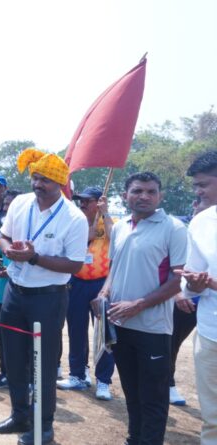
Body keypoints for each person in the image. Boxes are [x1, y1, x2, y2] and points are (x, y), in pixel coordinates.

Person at [0, 148, 88, 445]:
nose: (38, 184)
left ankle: (43, 426)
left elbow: (74, 264)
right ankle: (19, 415)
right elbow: (4, 236)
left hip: (48, 298)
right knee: (14, 359)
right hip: (15, 294)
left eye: (45, 180)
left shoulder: (74, 218)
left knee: (42, 363)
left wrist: (34, 258)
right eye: (35, 177)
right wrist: (7, 250)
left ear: (60, 184)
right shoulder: (20, 203)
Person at [91, 171, 188, 445]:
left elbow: (178, 278)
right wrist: (104, 292)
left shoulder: (174, 228)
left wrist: (139, 304)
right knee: (131, 391)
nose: (144, 196)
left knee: (153, 396)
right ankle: (134, 439)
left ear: (160, 196)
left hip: (153, 328)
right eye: (137, 191)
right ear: (125, 196)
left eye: (150, 191)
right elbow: (114, 268)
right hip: (119, 325)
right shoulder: (120, 226)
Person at [56, 186, 116, 401]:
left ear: (98, 202)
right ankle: (78, 375)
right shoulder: (74, 222)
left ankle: (103, 380)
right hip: (76, 282)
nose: (82, 204)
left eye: (87, 201)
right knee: (76, 330)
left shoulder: (109, 222)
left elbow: (115, 239)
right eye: (80, 200)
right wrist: (85, 235)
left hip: (102, 284)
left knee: (103, 334)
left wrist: (105, 213)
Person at [180, 150, 217, 444]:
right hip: (210, 333)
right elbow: (192, 284)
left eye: (203, 184)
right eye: (196, 185)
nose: (198, 191)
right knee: (213, 417)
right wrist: (193, 284)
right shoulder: (201, 223)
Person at [169, 197, 208, 406]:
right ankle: (168, 383)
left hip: (208, 301)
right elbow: (170, 266)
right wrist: (177, 294)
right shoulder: (180, 228)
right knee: (172, 343)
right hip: (185, 299)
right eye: (200, 201)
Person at [0, 188, 22, 389]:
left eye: (12, 204)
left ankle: (24, 378)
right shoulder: (3, 230)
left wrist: (10, 272)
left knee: (20, 340)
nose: (8, 208)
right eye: (6, 204)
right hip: (1, 294)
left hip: (22, 295)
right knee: (3, 338)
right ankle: (5, 373)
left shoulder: (31, 230)